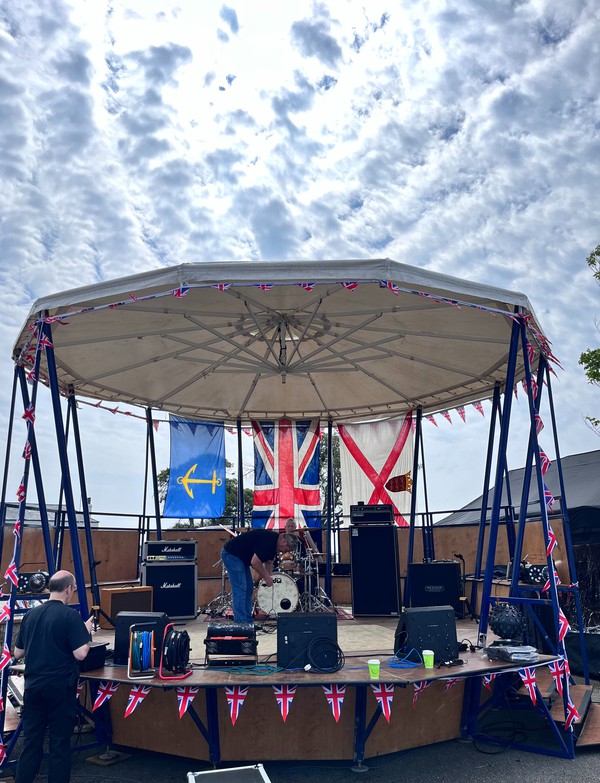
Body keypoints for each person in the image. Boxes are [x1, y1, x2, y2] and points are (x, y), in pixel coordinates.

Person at [13, 570, 93, 783]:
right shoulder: (70, 616)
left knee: (31, 743)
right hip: (59, 687)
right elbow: (80, 653)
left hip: (33, 687)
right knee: (59, 744)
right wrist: (85, 633)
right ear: (69, 589)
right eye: (74, 589)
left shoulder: (30, 615)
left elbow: (18, 652)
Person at [221, 529, 298, 623]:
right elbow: (255, 562)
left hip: (242, 558)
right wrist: (266, 577)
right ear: (284, 541)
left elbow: (269, 562)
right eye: (287, 549)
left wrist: (270, 577)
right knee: (240, 588)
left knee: (249, 587)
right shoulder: (268, 541)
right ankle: (241, 623)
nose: (285, 552)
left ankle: (248, 621)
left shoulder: (275, 545)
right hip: (231, 554)